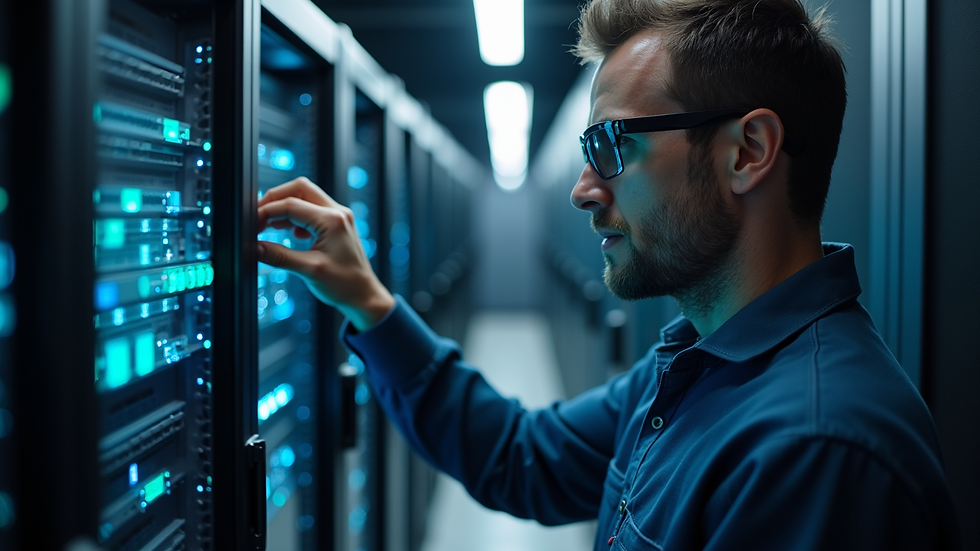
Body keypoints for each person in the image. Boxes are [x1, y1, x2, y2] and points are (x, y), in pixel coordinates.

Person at [255, 0, 961, 548]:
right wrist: (369, 302)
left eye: (612, 144)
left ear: (748, 151)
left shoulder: (813, 452)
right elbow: (521, 456)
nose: (584, 188)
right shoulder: (695, 365)